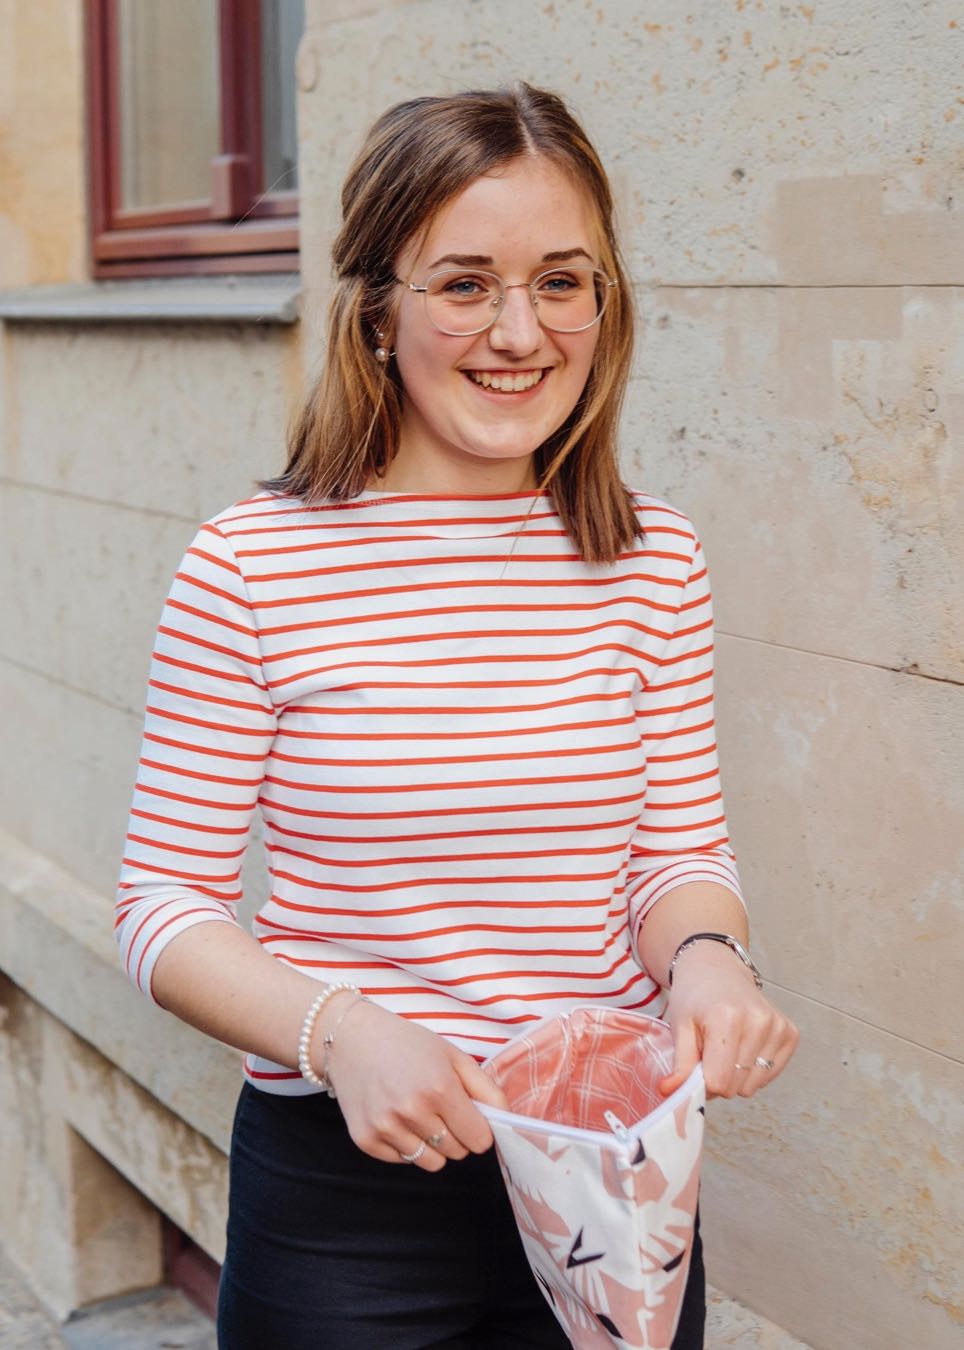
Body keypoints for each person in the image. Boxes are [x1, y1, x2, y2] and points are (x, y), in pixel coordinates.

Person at [115, 82, 799, 1349]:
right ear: (379, 310)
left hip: (613, 1168)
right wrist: (342, 1033)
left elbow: (677, 858)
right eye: (464, 282)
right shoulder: (250, 563)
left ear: (606, 302)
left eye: (560, 281)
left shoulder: (655, 560)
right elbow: (164, 908)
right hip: (344, 1203)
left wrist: (708, 961)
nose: (518, 331)